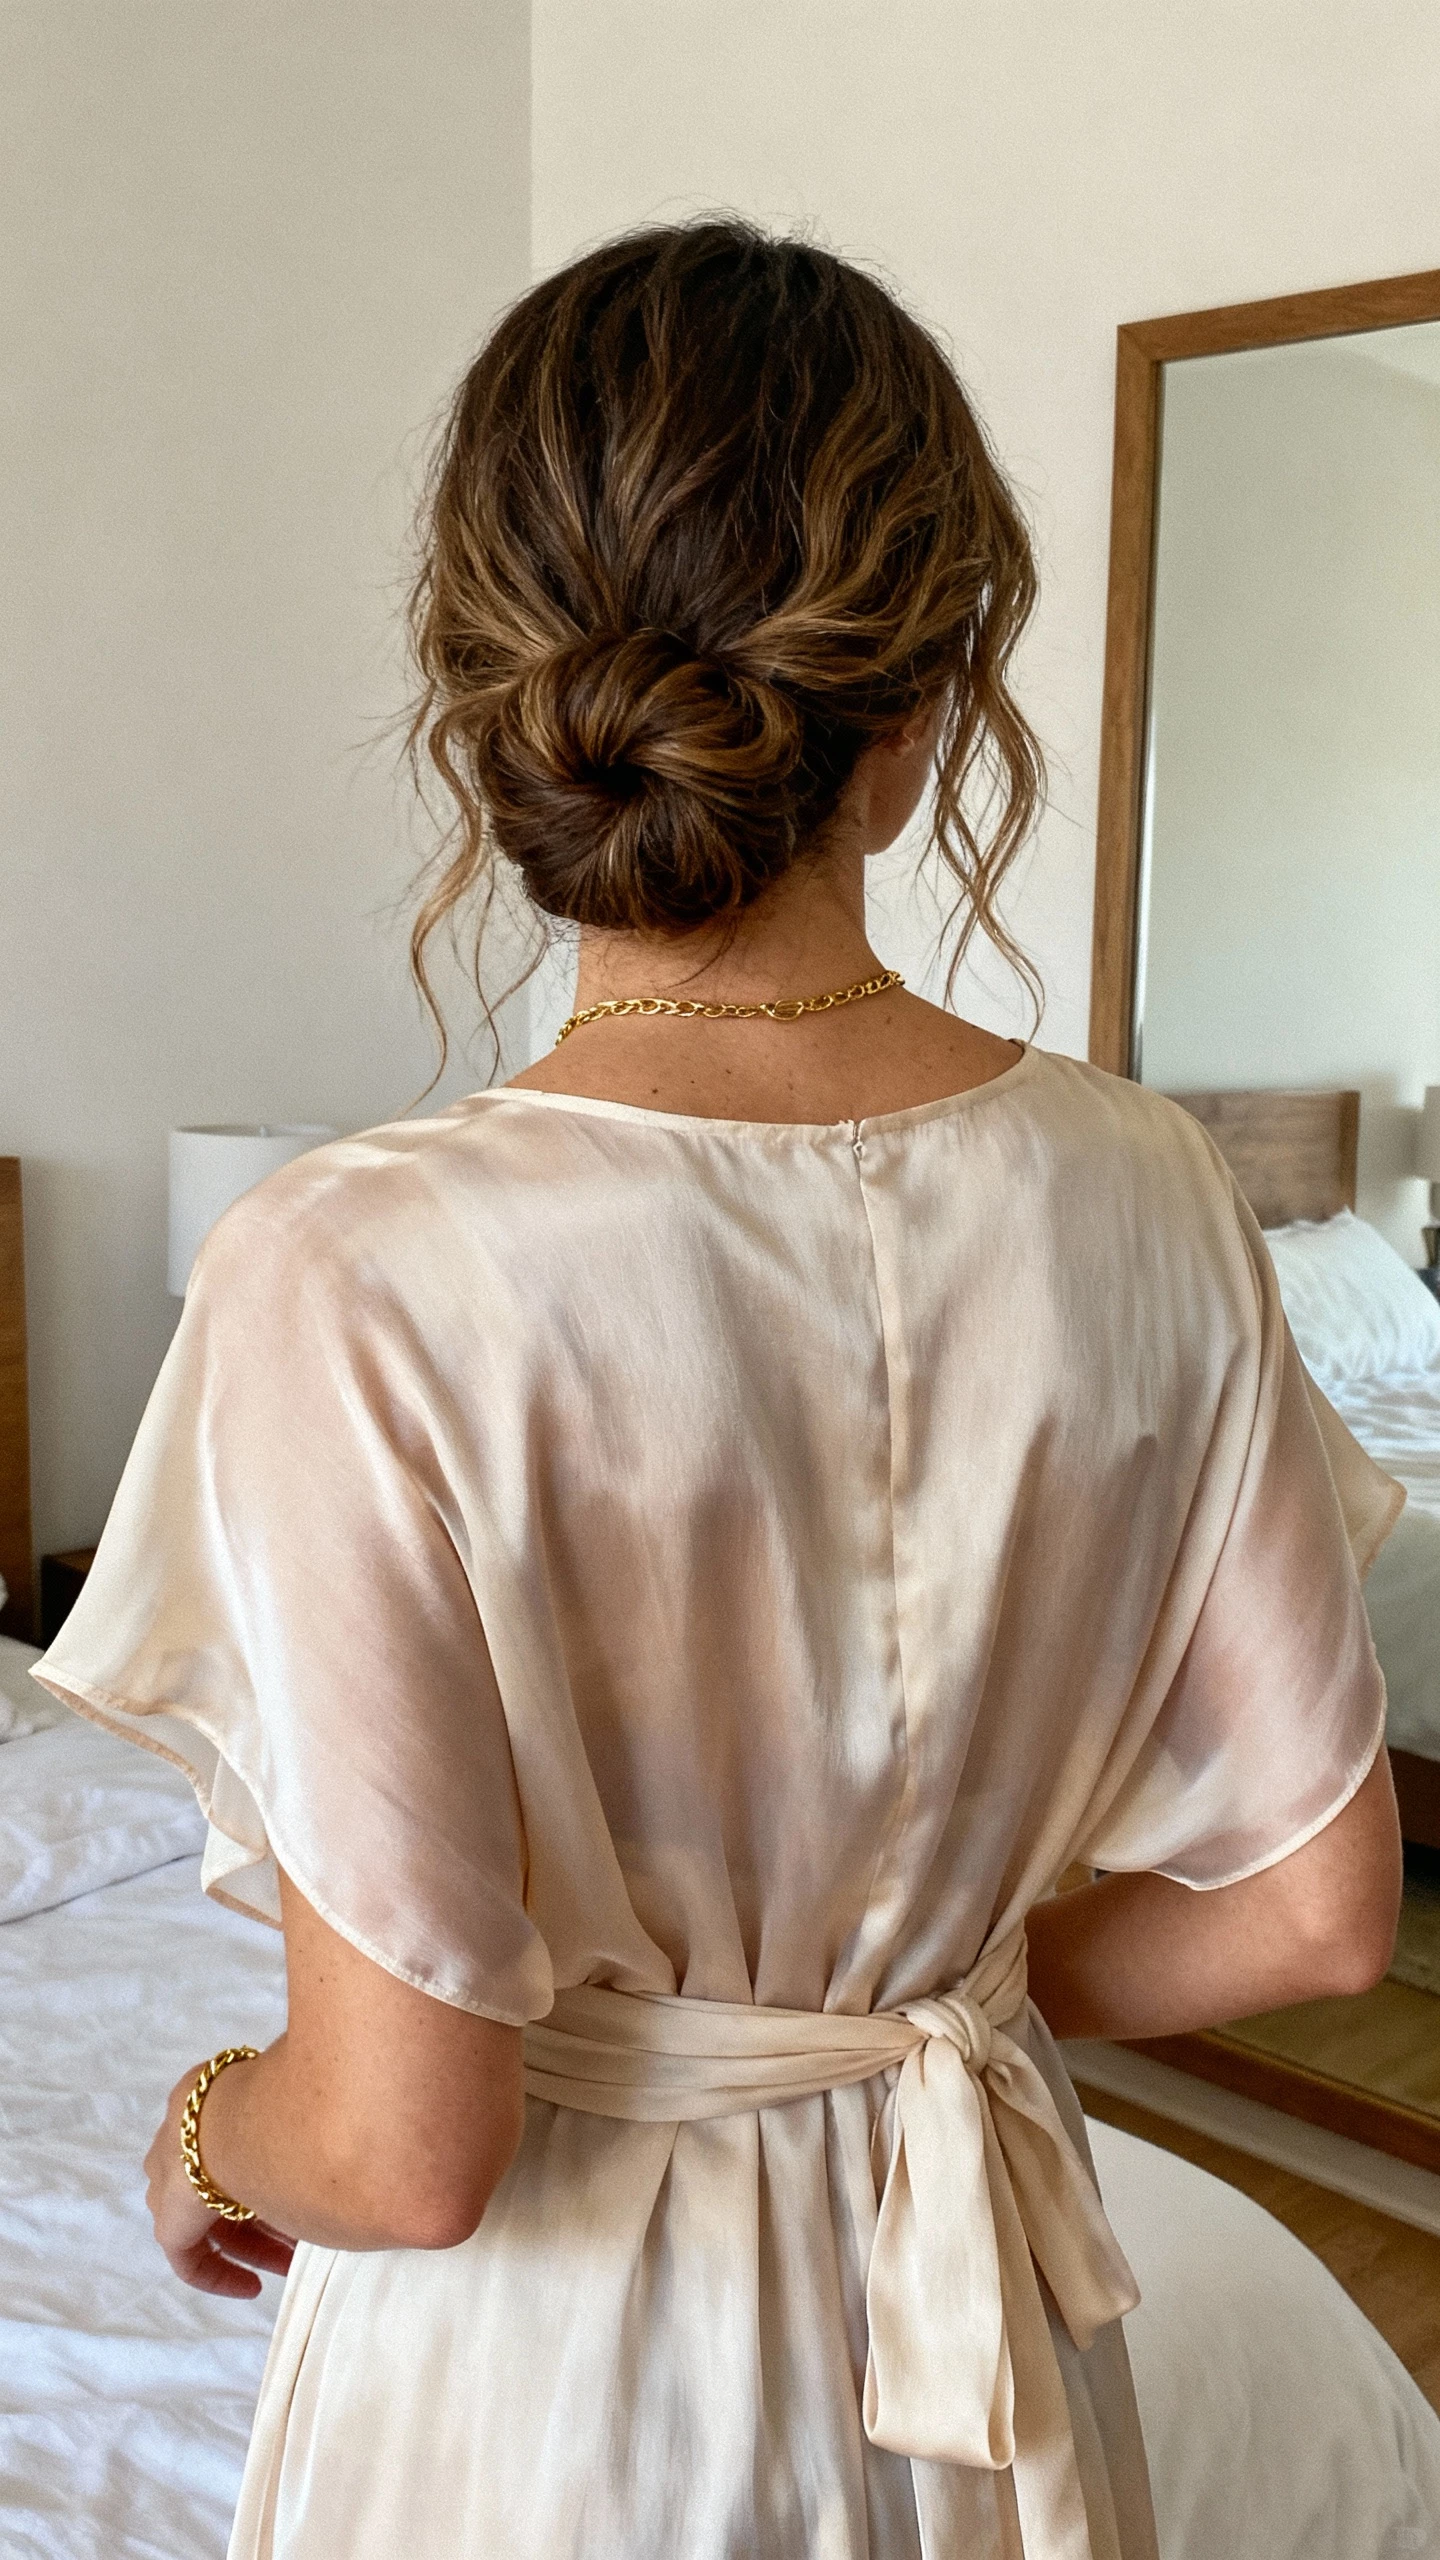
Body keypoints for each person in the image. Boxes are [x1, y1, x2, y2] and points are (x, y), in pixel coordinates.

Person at [37, 221, 1403, 2560]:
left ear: (484, 693)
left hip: (563, 2414)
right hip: (989, 2299)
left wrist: (195, 2135)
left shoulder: (350, 1275)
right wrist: (917, 1997)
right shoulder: (1152, 1186)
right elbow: (1314, 1917)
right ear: (936, 697)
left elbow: (398, 2141)